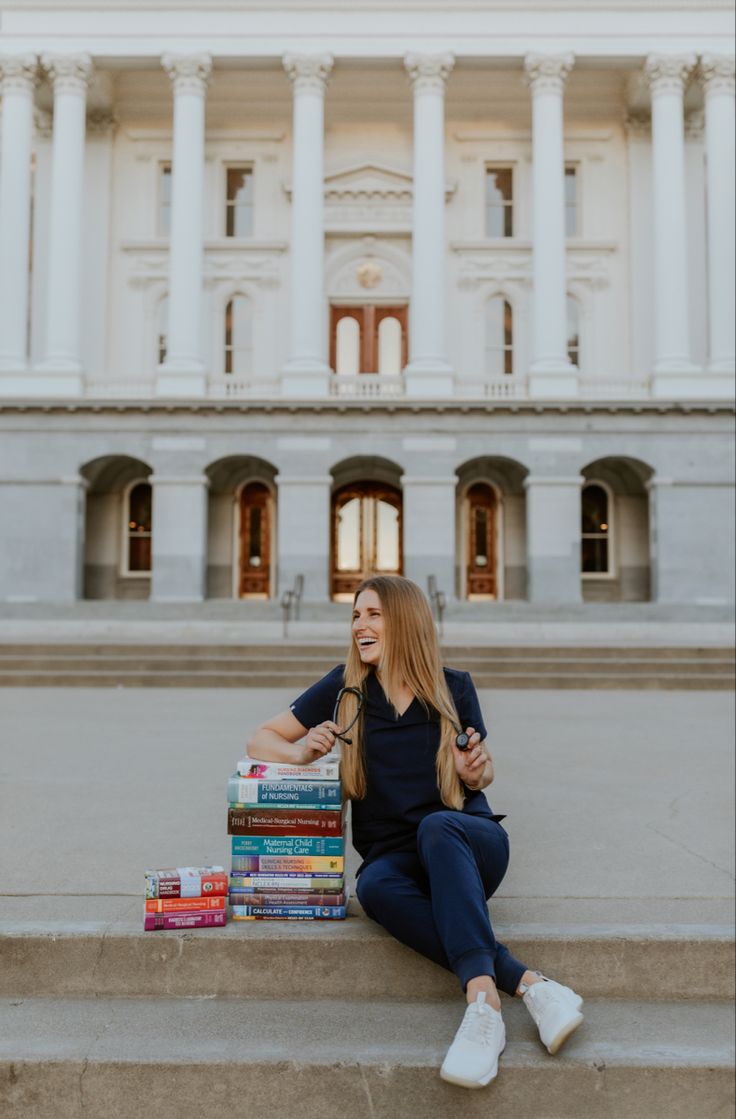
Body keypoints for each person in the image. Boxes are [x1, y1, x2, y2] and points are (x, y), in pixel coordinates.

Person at [247, 574, 584, 1090]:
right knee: (375, 886)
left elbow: (481, 770)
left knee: (437, 826)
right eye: (356, 615)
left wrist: (476, 773)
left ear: (405, 621)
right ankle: (530, 985)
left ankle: (483, 1005)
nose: (361, 624)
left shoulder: (455, 687)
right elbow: (260, 739)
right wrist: (303, 751)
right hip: (395, 857)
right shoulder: (345, 688)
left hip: (468, 843)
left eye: (374, 614)